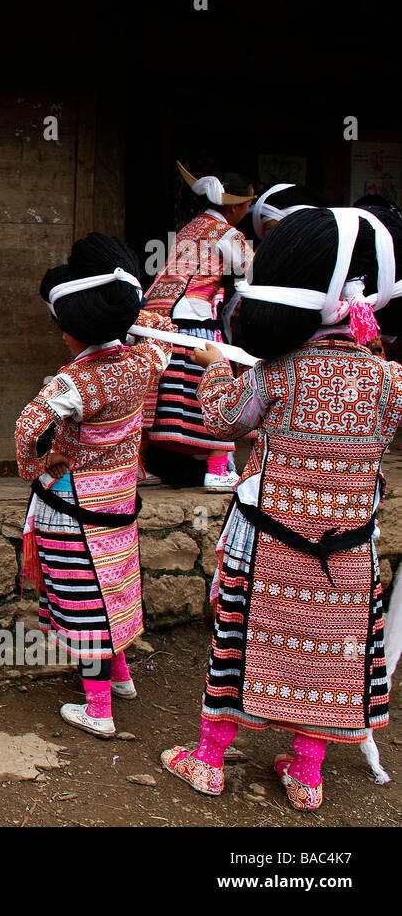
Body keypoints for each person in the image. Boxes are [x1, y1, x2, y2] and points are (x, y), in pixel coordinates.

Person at [161, 206, 401, 811]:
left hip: (265, 536)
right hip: (349, 547)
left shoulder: (276, 371)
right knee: (328, 653)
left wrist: (215, 372)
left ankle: (210, 760)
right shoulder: (391, 380)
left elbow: (223, 420)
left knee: (239, 640)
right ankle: (306, 773)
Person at [15, 233, 175, 738]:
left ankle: (98, 708)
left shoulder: (73, 383)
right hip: (120, 499)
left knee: (85, 599)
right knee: (113, 587)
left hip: (73, 505)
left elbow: (24, 428)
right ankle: (121, 677)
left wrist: (35, 467)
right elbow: (160, 329)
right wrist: (129, 306)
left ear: (76, 330)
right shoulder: (145, 362)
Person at [141, 162, 255, 491]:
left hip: (160, 316)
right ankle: (219, 466)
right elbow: (251, 269)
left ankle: (137, 464)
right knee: (213, 383)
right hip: (194, 317)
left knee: (160, 394)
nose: (246, 212)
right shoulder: (227, 234)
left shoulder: (193, 226)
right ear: (234, 206)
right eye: (247, 206)